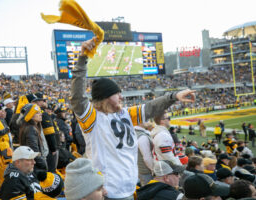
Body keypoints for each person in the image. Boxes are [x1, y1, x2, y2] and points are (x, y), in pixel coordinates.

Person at [70, 37, 196, 199]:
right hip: (108, 191)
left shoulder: (125, 114)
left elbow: (150, 107)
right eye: (117, 93)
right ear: (105, 97)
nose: (121, 96)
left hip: (129, 188)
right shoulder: (93, 118)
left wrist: (174, 96)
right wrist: (82, 58)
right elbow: (77, 98)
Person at [19, 103, 49, 171]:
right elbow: (34, 151)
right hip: (34, 165)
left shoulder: (30, 127)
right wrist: (43, 164)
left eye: (40, 112)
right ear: (31, 115)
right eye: (37, 113)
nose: (41, 114)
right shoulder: (31, 129)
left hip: (33, 163)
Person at [34, 93, 58, 173]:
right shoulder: (42, 113)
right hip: (47, 147)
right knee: (51, 171)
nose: (46, 102)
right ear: (38, 102)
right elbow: (49, 133)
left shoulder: (36, 112)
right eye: (44, 100)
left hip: (42, 147)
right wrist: (53, 147)